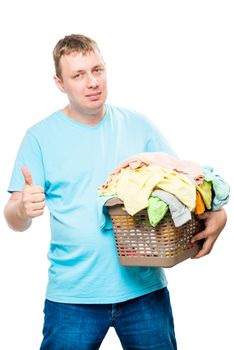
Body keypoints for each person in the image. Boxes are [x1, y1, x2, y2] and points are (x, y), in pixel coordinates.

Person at [4, 34, 227, 350]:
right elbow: (14, 218)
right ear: (59, 83)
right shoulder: (39, 138)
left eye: (98, 70)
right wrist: (22, 209)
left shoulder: (139, 125)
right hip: (72, 298)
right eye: (78, 75)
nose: (92, 82)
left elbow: (183, 188)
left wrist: (219, 214)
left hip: (145, 291)